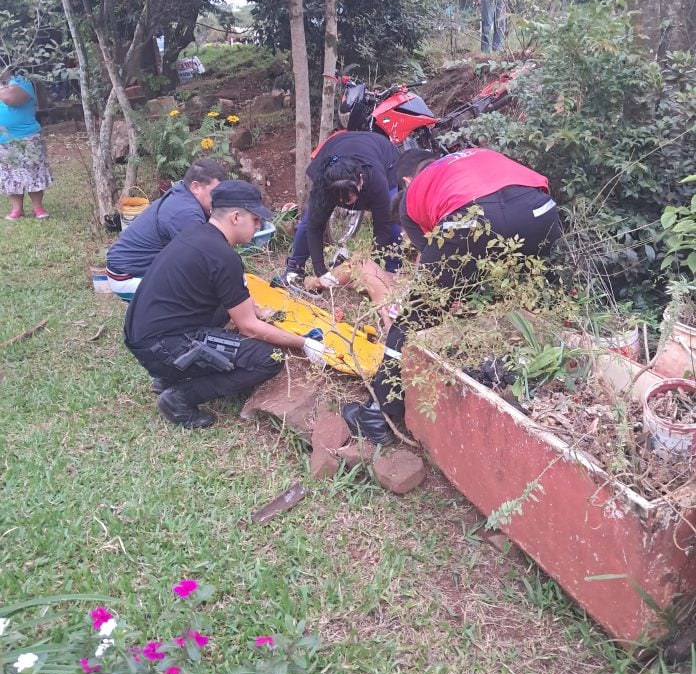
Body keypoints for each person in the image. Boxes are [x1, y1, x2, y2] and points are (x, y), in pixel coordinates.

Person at [342, 147, 561, 444]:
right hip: (541, 211)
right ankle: (544, 367)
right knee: (528, 299)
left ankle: (377, 415)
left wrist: (426, 304)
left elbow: (436, 274)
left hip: (472, 220)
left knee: (413, 317)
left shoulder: (411, 198)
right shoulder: (468, 160)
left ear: (405, 182)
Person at [124, 179, 327, 429]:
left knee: (224, 313)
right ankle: (180, 397)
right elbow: (249, 327)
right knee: (267, 358)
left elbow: (231, 299)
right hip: (163, 346)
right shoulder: (222, 255)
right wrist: (303, 343)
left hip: (146, 339)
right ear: (235, 217)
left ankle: (169, 376)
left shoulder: (197, 234)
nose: (259, 226)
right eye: (255, 219)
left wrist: (258, 311)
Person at [282, 131, 401, 290]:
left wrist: (370, 264)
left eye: (349, 197)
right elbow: (315, 227)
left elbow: (382, 230)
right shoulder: (324, 183)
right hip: (337, 146)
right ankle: (295, 267)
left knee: (391, 221)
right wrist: (320, 271)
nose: (346, 203)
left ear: (360, 180)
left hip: (383, 154)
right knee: (310, 220)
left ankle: (392, 269)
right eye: (340, 199)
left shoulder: (376, 180)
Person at [106, 158, 227, 300]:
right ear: (195, 187)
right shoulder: (185, 213)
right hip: (127, 275)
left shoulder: (183, 193)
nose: (220, 198)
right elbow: (205, 260)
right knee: (197, 296)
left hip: (133, 266)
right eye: (216, 192)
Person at [0, 69, 53, 220]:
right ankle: (17, 209)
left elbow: (10, 98)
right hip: (4, 138)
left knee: (33, 172)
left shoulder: (22, 81)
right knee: (10, 174)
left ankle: (38, 208)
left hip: (28, 137)